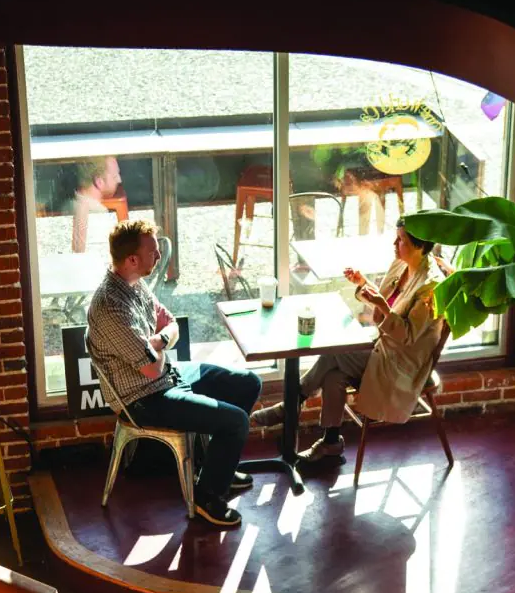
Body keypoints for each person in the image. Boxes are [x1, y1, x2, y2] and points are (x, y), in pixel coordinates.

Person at [86, 219, 261, 527]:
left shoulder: (133, 283)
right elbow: (151, 368)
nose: (158, 256)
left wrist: (158, 340)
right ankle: (208, 497)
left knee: (248, 384)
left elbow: (171, 324)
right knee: (235, 422)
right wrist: (162, 340)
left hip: (167, 375)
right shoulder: (111, 307)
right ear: (132, 259)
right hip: (144, 397)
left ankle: (216, 468)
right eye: (153, 251)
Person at [251, 220, 446, 461]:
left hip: (401, 363)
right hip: (382, 348)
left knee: (336, 352)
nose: (394, 244)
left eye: (401, 240)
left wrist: (383, 307)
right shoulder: (401, 265)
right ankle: (330, 443)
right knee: (334, 376)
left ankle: (292, 403)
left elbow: (407, 335)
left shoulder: (430, 287)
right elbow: (384, 304)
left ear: (419, 245)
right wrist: (363, 284)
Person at [72, 156, 122, 253]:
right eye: (115, 176)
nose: (119, 180)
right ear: (99, 181)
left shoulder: (70, 205)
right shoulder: (97, 214)